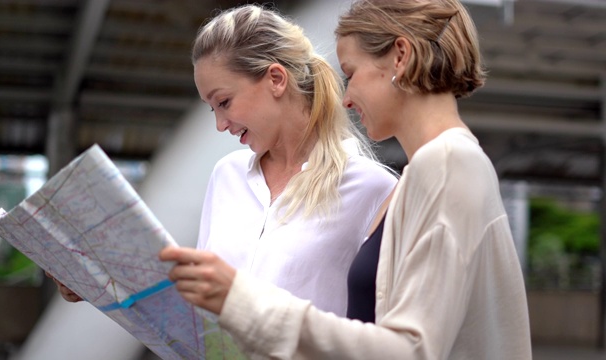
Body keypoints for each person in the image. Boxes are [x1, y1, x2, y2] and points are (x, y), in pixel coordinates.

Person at [160, 0, 533, 359]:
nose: (346, 97)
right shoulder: (430, 171)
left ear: (400, 58)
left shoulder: (447, 164)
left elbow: (412, 350)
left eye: (351, 74)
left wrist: (241, 302)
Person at [52, 3, 397, 319]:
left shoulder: (374, 189)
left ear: (276, 79)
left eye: (225, 102)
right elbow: (203, 313)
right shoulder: (226, 176)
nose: (220, 125)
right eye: (212, 108)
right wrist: (102, 282)